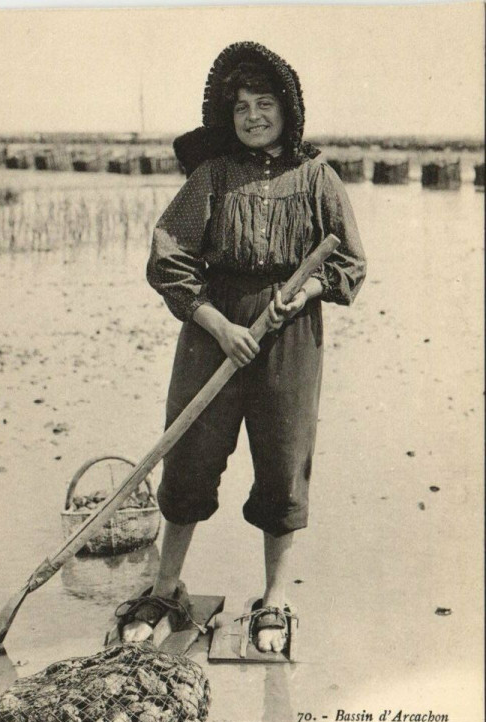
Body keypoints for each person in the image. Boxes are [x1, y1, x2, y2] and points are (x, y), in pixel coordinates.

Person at [117, 42, 366, 654]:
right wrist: (216, 322)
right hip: (212, 334)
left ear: (289, 110)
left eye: (265, 104)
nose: (254, 116)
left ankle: (275, 600)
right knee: (190, 455)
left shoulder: (318, 179)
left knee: (283, 462)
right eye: (242, 107)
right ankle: (167, 585)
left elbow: (350, 264)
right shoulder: (212, 176)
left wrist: (304, 290)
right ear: (228, 118)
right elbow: (169, 258)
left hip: (289, 337)